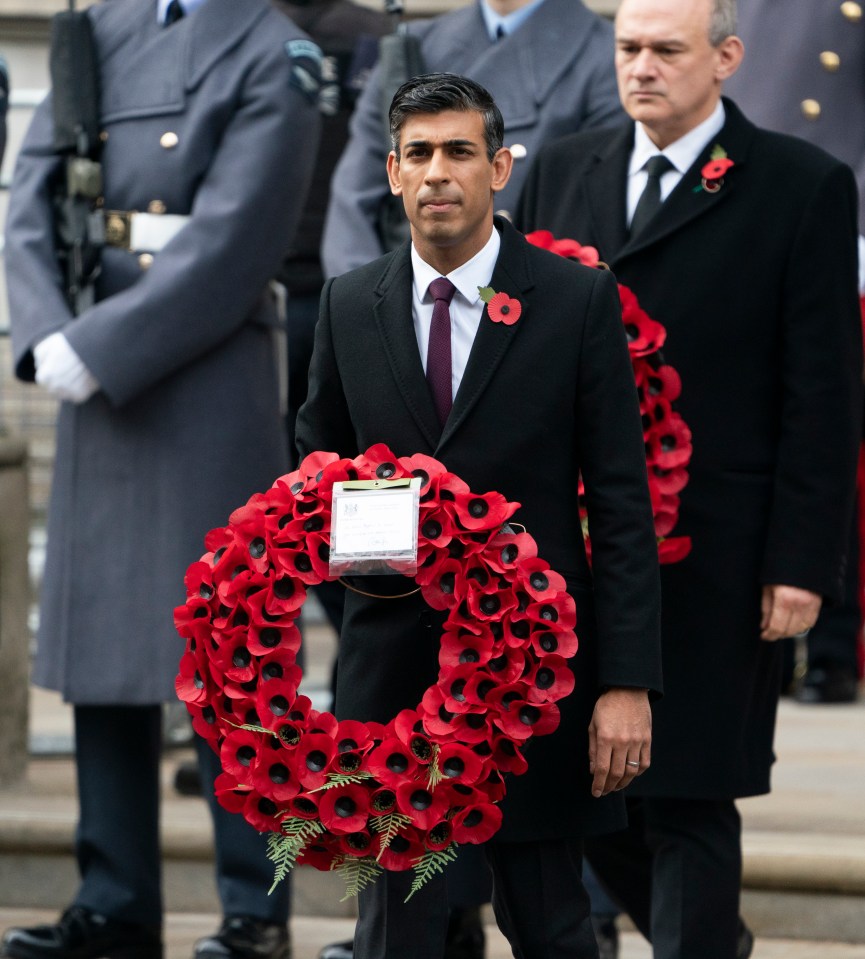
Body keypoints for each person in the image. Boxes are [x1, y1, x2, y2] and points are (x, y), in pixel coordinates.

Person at [515, 0, 863, 957]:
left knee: (690, 791)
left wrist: (802, 562)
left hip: (720, 543)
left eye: (667, 51)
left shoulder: (800, 184)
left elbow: (824, 395)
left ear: (726, 58)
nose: (643, 69)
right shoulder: (560, 167)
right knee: (593, 781)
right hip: (580, 544)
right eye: (628, 49)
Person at [296, 71, 663, 959]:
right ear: (389, 171)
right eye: (417, 154)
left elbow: (618, 503)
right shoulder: (349, 303)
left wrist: (625, 682)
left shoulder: (575, 302)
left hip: (533, 677)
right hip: (391, 677)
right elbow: (315, 475)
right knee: (395, 930)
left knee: (549, 920)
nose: (437, 173)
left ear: (499, 167)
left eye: (459, 152)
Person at [0, 1, 320, 958]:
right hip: (91, 359)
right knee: (102, 643)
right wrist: (47, 330)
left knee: (234, 654)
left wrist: (101, 345)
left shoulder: (276, 48)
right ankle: (115, 897)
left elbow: (239, 237)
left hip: (205, 367)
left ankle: (254, 909)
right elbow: (31, 192)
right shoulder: (97, 28)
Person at [725, 0, 865, 704]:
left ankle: (834, 641)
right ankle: (771, 641)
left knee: (826, 435)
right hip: (733, 227)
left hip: (843, 225)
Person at [320, 0, 624, 279]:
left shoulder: (610, 56)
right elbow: (353, 204)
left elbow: (588, 219)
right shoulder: (418, 44)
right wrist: (377, 308)